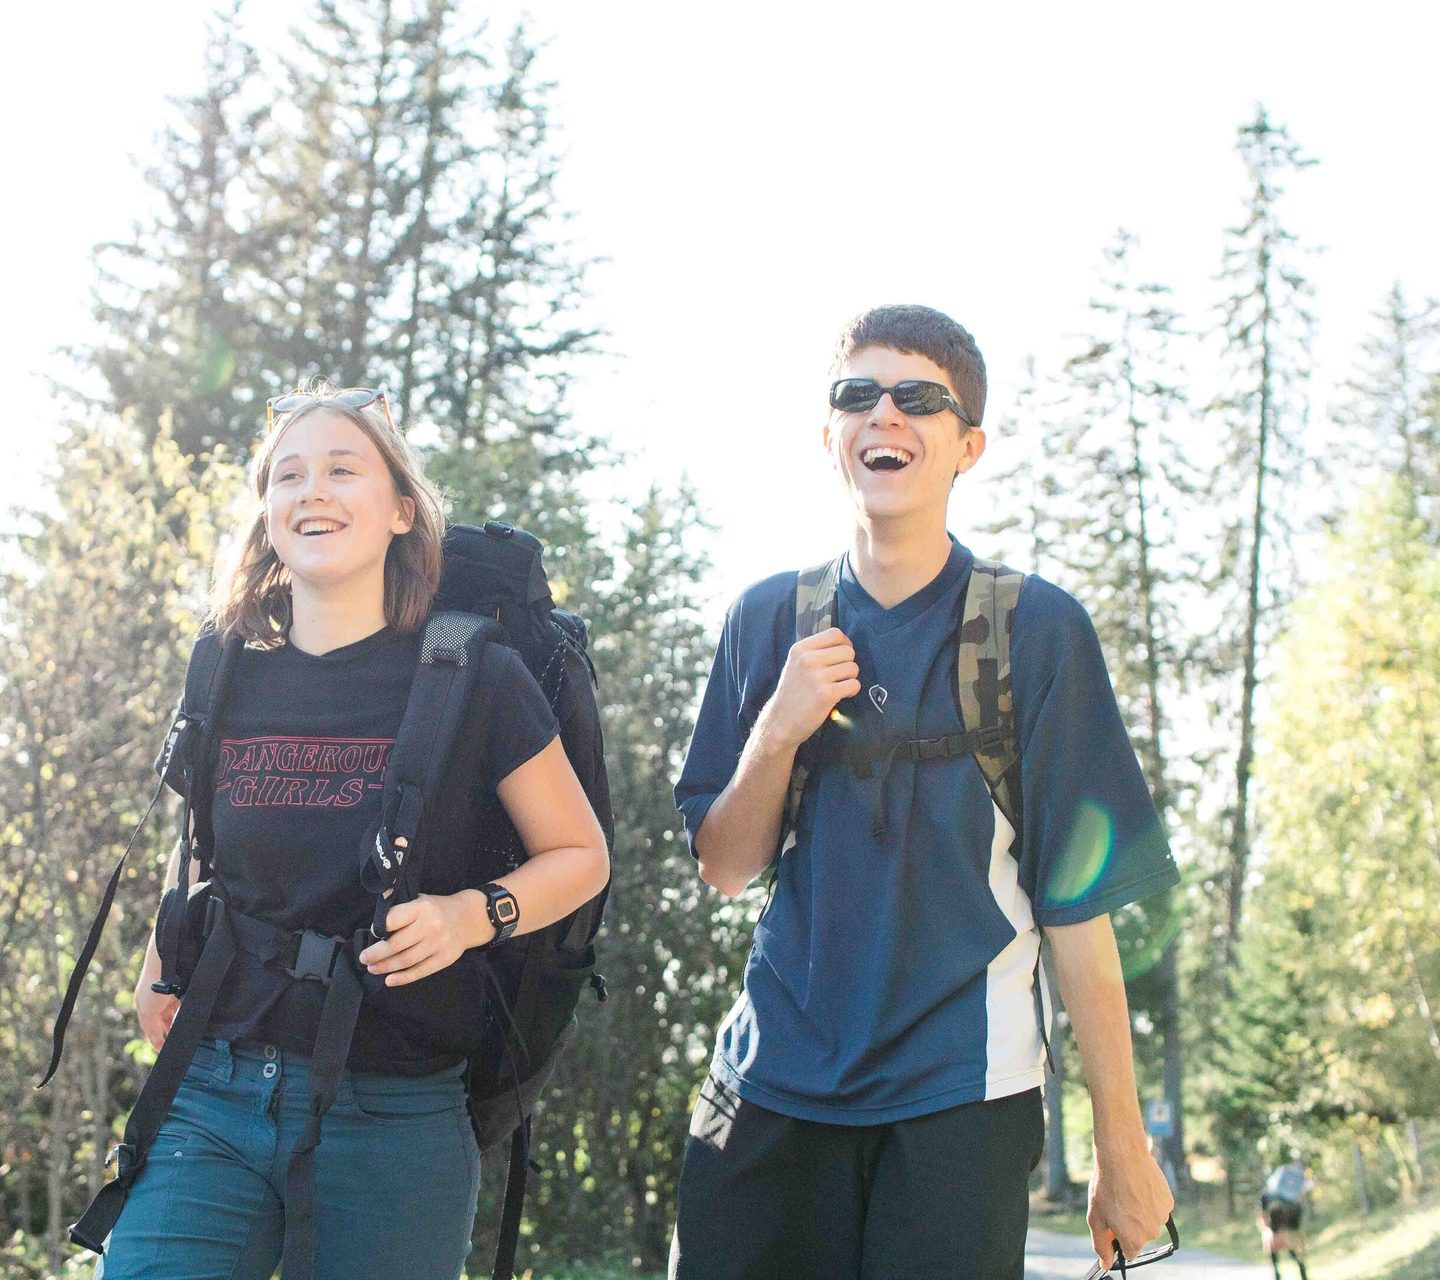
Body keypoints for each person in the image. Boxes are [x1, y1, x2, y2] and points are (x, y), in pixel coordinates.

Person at [669, 305, 1180, 1279]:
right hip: (767, 1087)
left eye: (919, 398)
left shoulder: (1036, 631)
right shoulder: (767, 616)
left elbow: (1078, 915)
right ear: (831, 435)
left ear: (967, 446)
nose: (884, 416)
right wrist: (777, 729)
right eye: (857, 394)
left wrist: (1123, 1147)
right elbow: (726, 866)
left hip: (961, 1098)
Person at [97, 382, 609, 1280]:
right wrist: (153, 964)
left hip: (393, 1112)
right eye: (288, 475)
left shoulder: (472, 677)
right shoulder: (224, 666)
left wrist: (469, 915)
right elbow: (198, 840)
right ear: (267, 513)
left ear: (401, 510)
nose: (313, 491)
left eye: (343, 469)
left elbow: (581, 856)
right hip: (212, 1090)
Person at [1258, 1158, 1311, 1279]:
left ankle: (1276, 1273)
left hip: (1275, 1214)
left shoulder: (1280, 1174)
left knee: (1272, 1240)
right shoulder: (1299, 1179)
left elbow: (1267, 1194)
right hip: (1294, 1214)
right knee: (1294, 1240)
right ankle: (1303, 1272)